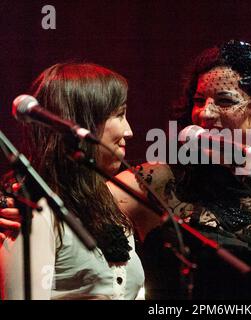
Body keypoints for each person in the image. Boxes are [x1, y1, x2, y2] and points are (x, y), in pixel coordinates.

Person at [111, 40, 251, 300]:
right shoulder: (159, 183)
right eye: (199, 100)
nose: (204, 114)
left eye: (224, 100)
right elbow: (76, 205)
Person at [0, 63, 144, 300]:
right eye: (119, 114)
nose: (129, 131)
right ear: (83, 123)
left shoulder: (110, 207)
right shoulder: (33, 214)